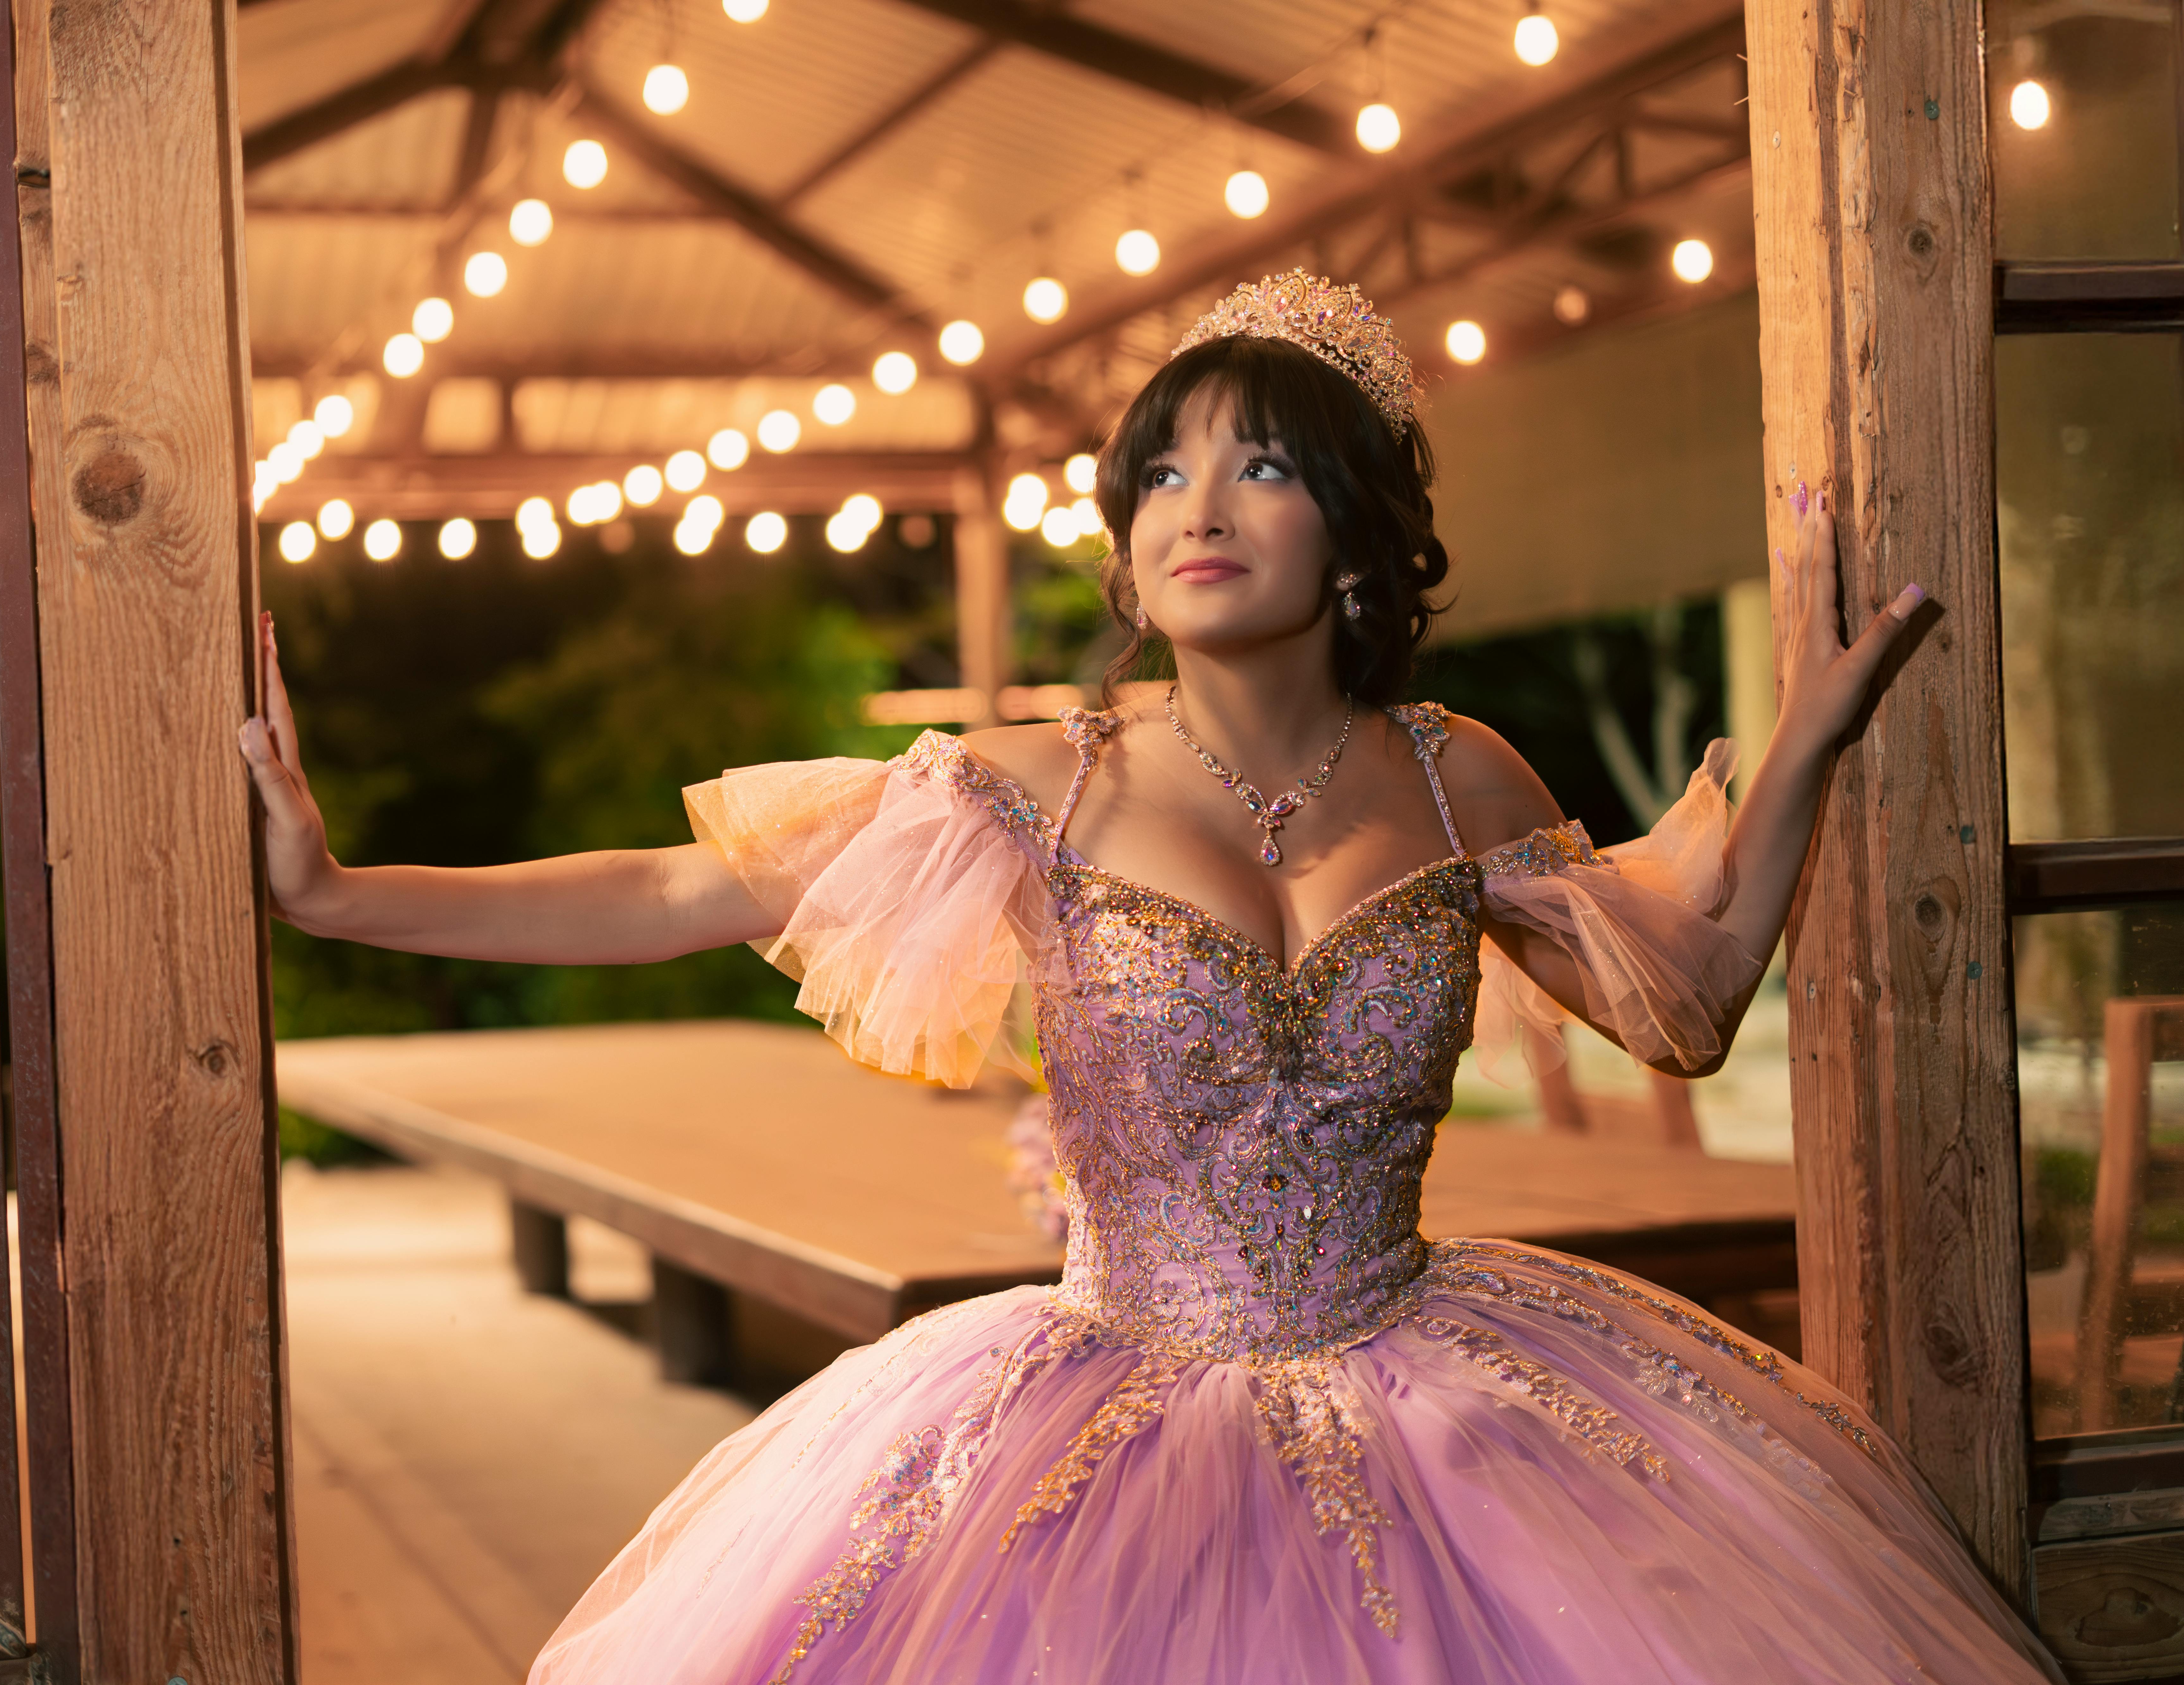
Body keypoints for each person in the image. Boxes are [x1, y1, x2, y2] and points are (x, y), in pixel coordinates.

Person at [241, 272, 2060, 1683]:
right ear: (1124, 541)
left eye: (1261, 463)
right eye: (1163, 471)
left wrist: (1811, 739)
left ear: (1355, 527)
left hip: (1436, 1394)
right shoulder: (1039, 783)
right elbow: (671, 887)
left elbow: (1695, 999)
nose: (1201, 505)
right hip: (1108, 1405)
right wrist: (333, 893)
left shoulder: (1462, 777)